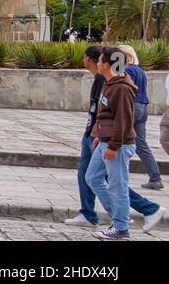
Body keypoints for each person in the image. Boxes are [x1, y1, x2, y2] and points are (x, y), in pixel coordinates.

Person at [66, 45, 163, 230]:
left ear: (107, 64)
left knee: (116, 184)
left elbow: (123, 119)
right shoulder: (109, 83)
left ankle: (126, 221)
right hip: (102, 138)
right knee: (92, 177)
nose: (98, 62)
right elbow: (104, 113)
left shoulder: (119, 86)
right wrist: (99, 134)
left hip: (114, 142)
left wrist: (113, 144)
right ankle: (107, 216)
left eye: (102, 59)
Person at [117, 45, 163, 190]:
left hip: (132, 107)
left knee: (119, 140)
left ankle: (113, 174)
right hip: (143, 107)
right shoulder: (140, 71)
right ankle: (155, 177)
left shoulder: (128, 70)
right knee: (141, 144)